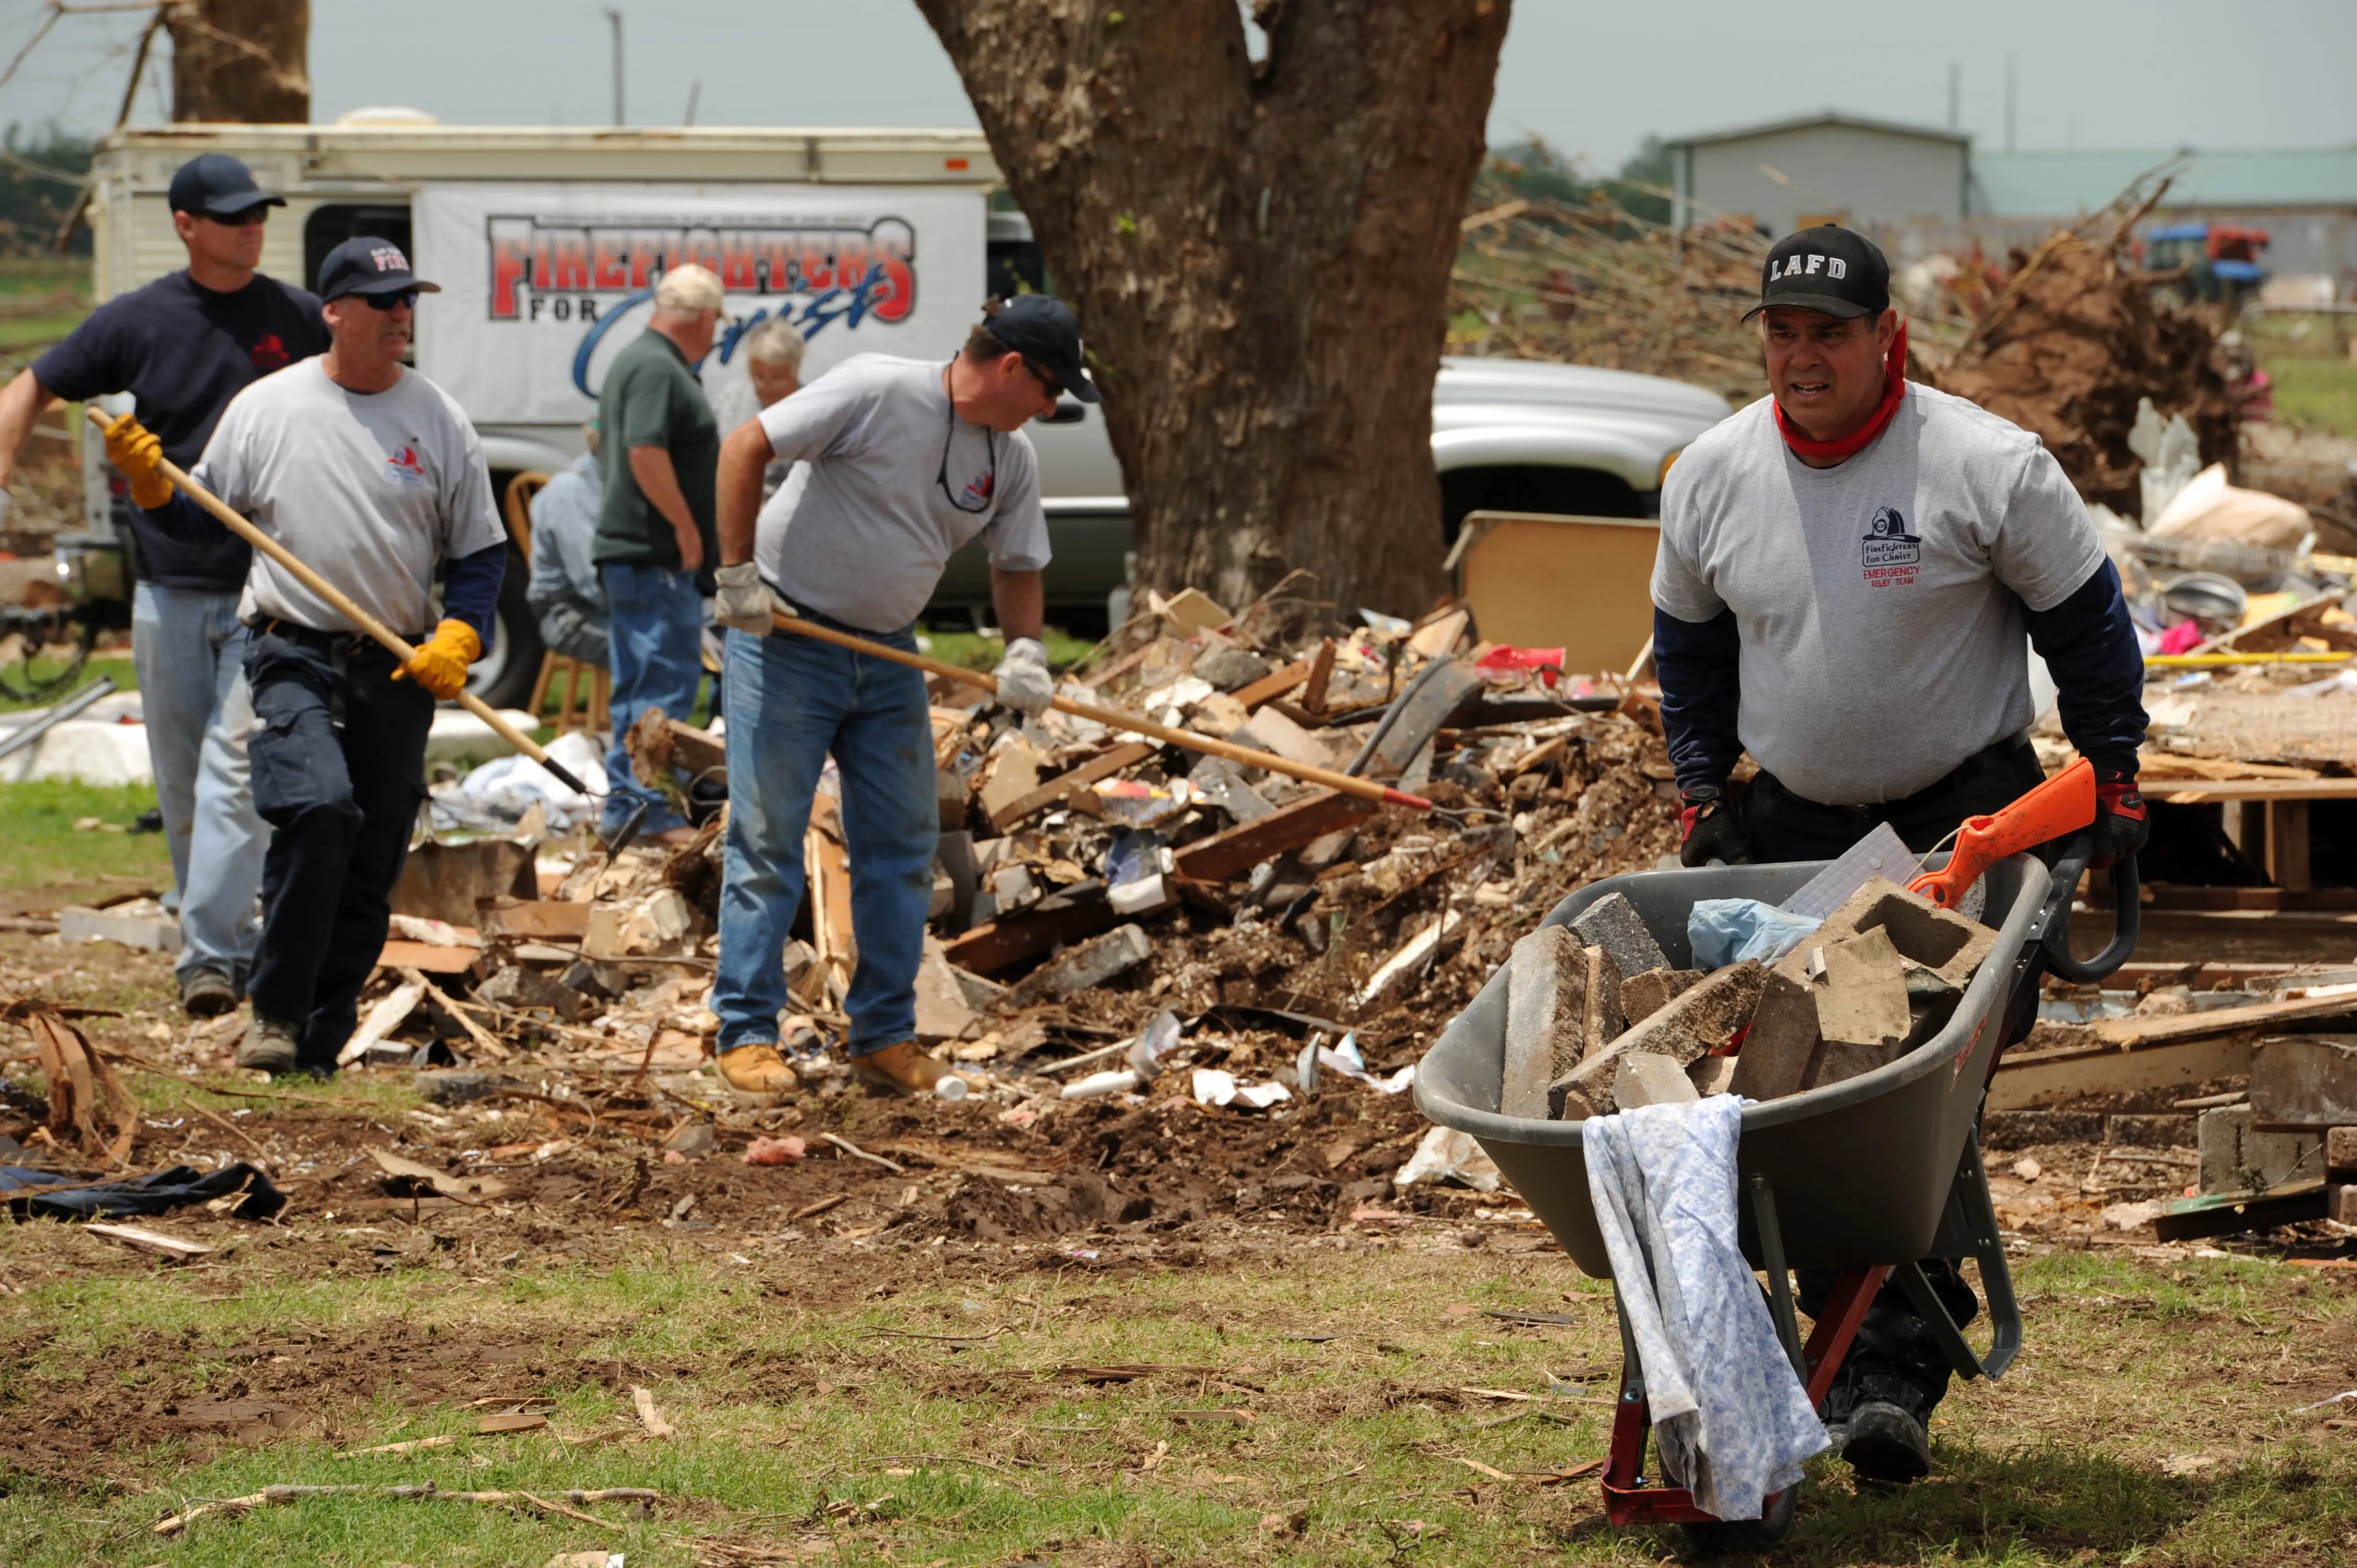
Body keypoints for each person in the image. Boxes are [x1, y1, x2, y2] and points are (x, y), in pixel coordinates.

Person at [1650, 224, 2149, 1483]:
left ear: (1889, 335)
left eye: (1830, 331)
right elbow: (1694, 653)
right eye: (1782, 331)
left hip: (1960, 821)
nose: (1802, 356)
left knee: (1904, 1088)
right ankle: (1861, 1357)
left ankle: (1881, 1367)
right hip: (1802, 824)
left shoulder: (1985, 464)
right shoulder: (1712, 474)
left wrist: (2115, 791)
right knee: (1805, 1092)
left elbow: (2090, 636)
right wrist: (1706, 791)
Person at [103, 238, 506, 1077]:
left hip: (396, 666)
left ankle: (318, 1041)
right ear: (334, 312)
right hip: (292, 650)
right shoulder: (268, 409)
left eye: (409, 302)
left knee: (373, 856)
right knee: (320, 811)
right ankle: (276, 1015)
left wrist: (460, 635)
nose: (401, 316)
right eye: (383, 302)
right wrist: (151, 488)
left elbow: (480, 557)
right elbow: (202, 525)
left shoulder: (438, 419)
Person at [703, 295, 1083, 1102]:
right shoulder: (876, 391)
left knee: (902, 849)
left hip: (885, 658)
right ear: (1012, 367)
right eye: (1050, 391)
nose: (1052, 410)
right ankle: (745, 1033)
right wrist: (736, 575)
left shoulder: (1011, 458)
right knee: (768, 842)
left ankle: (882, 1036)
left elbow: (1017, 562)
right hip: (786, 639)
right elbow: (747, 446)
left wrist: (1025, 650)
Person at [0, 153, 328, 1019]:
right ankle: (213, 934)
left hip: (268, 587)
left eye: (259, 214)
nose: (252, 227)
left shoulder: (298, 320)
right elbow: (30, 385)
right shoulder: (140, 320)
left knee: (231, 771)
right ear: (187, 225)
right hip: (171, 588)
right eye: (232, 217)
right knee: (183, 782)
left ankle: (213, 955)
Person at [593, 264, 725, 846]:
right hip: (655, 557)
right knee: (661, 692)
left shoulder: (642, 360)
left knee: (640, 688)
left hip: (639, 557)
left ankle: (629, 813)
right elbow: (645, 451)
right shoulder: (656, 366)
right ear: (702, 316)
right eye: (716, 322)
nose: (716, 334)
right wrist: (686, 530)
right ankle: (649, 816)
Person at [527, 424, 609, 666]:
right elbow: (591, 583)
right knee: (661, 646)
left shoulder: (618, 485)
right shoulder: (570, 493)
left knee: (719, 628)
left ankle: (720, 704)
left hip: (613, 605)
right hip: (570, 613)